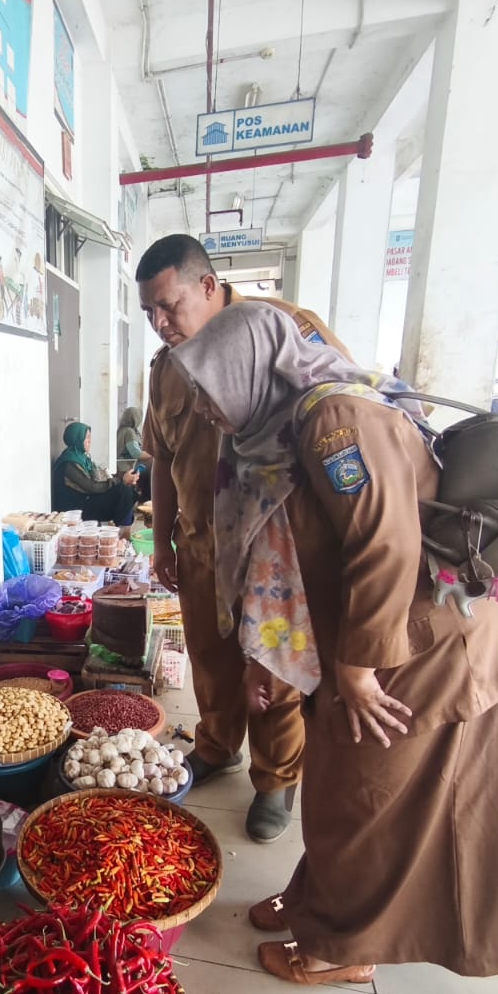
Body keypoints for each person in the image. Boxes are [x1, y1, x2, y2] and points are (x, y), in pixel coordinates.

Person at [166, 301, 498, 986]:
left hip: (424, 641)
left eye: (210, 389)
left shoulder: (333, 422)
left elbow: (385, 546)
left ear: (250, 370)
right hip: (375, 635)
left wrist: (359, 671)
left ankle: (343, 948)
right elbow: (284, 559)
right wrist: (268, 663)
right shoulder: (278, 432)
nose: (205, 409)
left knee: (365, 796)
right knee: (340, 789)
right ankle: (319, 903)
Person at [137, 233, 352, 842]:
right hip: (203, 542)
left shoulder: (285, 331)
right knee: (209, 658)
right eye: (148, 311)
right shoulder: (168, 367)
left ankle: (277, 779)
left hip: (273, 550)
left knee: (274, 665)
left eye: (169, 305)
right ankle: (216, 744)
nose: (159, 323)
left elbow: (344, 408)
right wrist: (163, 542)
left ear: (208, 286)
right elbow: (160, 454)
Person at [51, 421, 139, 526]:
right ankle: (123, 529)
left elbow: (98, 478)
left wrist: (121, 480)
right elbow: (92, 487)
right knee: (122, 490)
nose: (90, 441)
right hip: (73, 509)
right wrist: (121, 480)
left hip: (84, 500)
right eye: (87, 438)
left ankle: (124, 526)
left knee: (127, 490)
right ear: (77, 439)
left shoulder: (81, 458)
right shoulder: (68, 462)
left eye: (90, 438)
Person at [116, 407, 152, 504]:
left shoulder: (122, 430)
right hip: (126, 468)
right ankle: (146, 500)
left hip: (120, 466)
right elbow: (136, 453)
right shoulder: (129, 432)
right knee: (152, 467)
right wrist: (153, 453)